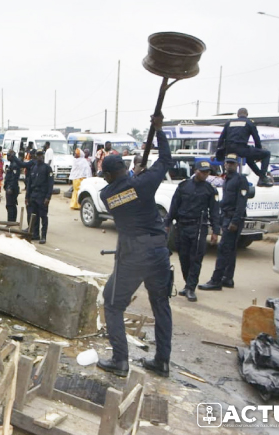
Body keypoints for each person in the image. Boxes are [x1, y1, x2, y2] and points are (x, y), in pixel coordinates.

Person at [97, 115, 173, 378]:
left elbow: (123, 191)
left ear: (107, 175)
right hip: (158, 251)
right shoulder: (144, 183)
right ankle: (162, 361)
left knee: (112, 303)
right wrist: (159, 132)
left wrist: (132, 178)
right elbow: (165, 161)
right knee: (161, 303)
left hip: (133, 256)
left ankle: (120, 361)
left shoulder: (106, 195)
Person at [164, 161, 220, 302]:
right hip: (182, 226)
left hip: (198, 227)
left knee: (196, 258)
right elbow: (174, 205)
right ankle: (187, 282)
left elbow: (214, 211)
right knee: (184, 257)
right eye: (203, 171)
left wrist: (215, 231)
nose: (205, 174)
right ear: (196, 171)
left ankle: (191, 287)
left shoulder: (210, 189)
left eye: (207, 172)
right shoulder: (183, 186)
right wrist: (167, 223)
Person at [199, 154, 249, 291]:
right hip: (225, 216)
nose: (229, 165)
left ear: (237, 165)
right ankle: (227, 278)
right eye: (227, 163)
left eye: (232, 163)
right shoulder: (227, 178)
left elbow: (241, 203)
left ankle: (216, 281)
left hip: (233, 218)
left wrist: (235, 221)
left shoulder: (241, 180)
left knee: (223, 248)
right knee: (230, 250)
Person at [216, 108, 272, 187]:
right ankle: (262, 178)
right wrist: (258, 151)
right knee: (266, 154)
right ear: (247, 114)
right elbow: (256, 139)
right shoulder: (249, 123)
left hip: (229, 150)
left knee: (249, 158)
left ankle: (261, 176)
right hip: (241, 149)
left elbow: (221, 139)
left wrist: (219, 152)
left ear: (237, 115)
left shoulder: (229, 123)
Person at [25, 150, 54, 243]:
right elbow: (29, 184)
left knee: (43, 216)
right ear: (36, 157)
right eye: (38, 156)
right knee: (34, 216)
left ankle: (43, 236)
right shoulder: (33, 168)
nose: (39, 157)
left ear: (43, 157)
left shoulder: (47, 168)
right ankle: (35, 234)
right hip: (34, 195)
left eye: (41, 156)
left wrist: (48, 197)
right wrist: (27, 197)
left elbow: (50, 184)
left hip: (42, 196)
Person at [4, 149, 22, 222]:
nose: (7, 157)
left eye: (8, 155)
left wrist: (10, 188)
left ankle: (11, 223)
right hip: (10, 187)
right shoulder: (12, 164)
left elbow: (14, 178)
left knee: (10, 206)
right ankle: (11, 222)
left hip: (12, 188)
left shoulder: (14, 165)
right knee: (11, 205)